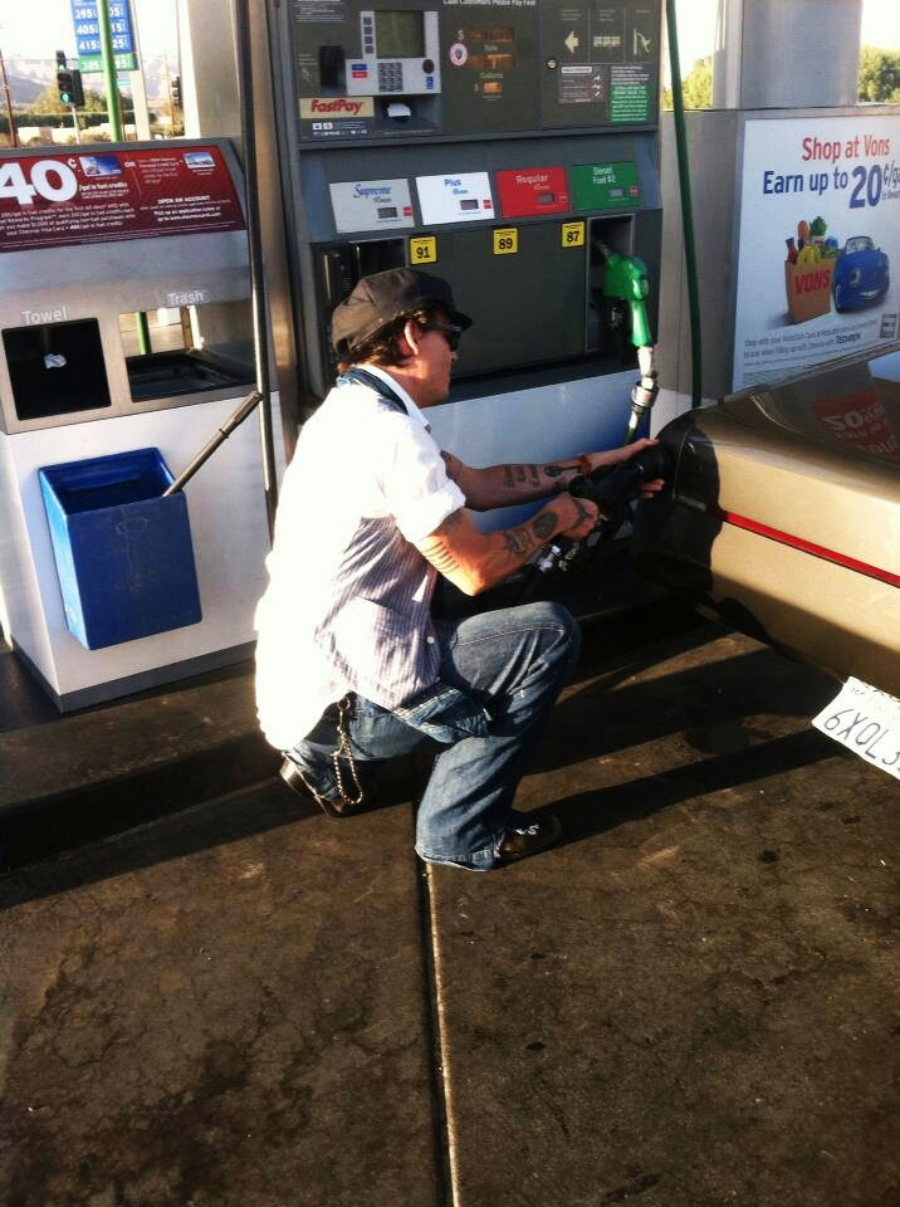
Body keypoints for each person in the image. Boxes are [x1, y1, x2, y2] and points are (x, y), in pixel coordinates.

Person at [254, 268, 662, 871]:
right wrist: (563, 515)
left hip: (302, 693)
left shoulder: (352, 412)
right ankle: (461, 832)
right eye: (451, 334)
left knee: (479, 625)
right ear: (414, 335)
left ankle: (326, 764)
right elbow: (475, 569)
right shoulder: (386, 435)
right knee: (546, 635)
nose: (456, 351)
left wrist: (593, 464)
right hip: (342, 702)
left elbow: (477, 484)